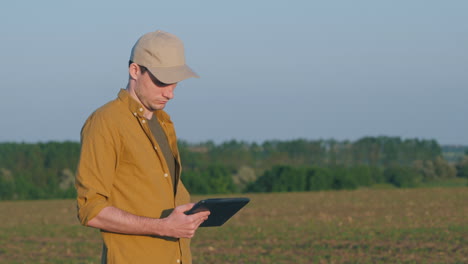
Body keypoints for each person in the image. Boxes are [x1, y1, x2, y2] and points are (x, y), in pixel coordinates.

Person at [75, 30, 210, 264]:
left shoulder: (163, 122)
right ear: (135, 70)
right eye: (161, 82)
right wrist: (162, 227)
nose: (170, 93)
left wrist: (190, 215)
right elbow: (91, 210)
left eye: (175, 83)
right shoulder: (105, 122)